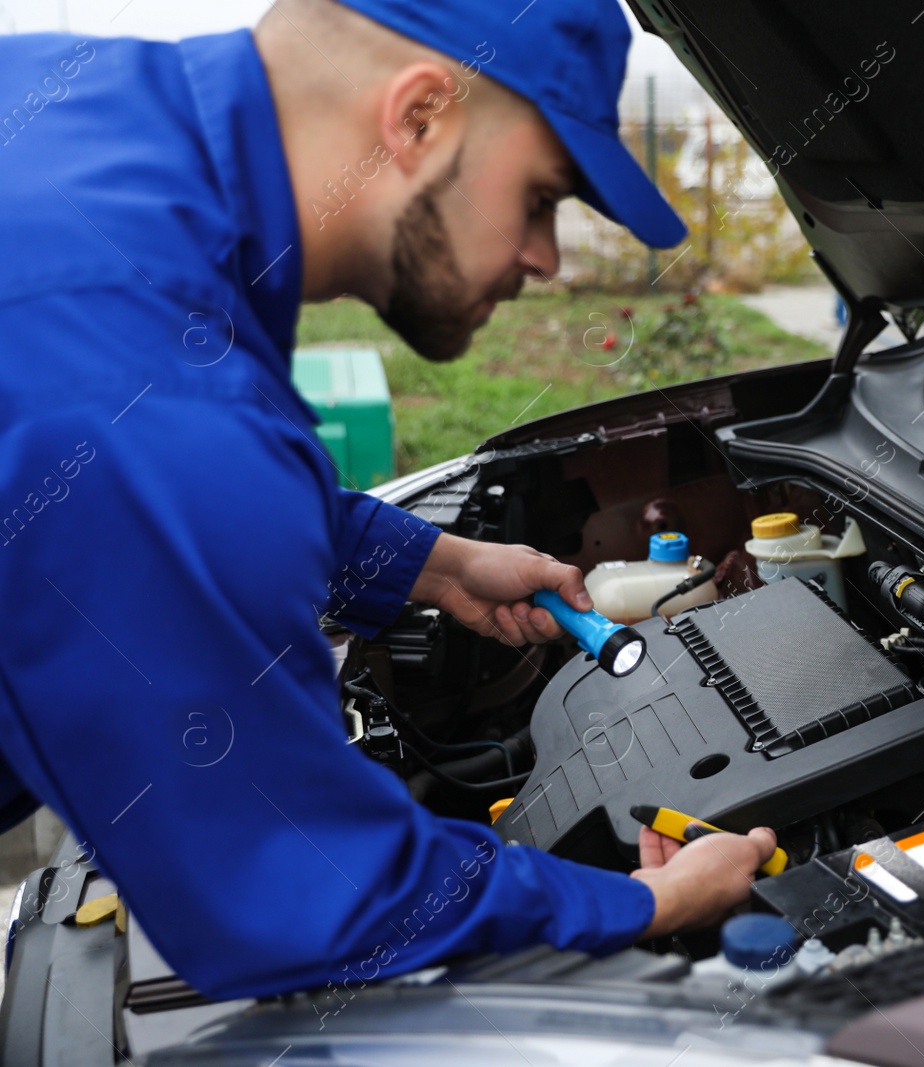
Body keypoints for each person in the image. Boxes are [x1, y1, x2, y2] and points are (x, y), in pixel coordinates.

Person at [0, 0, 773, 1000]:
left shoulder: (83, 113)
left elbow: (172, 491)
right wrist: (648, 905)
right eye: (542, 196)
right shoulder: (146, 385)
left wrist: (437, 563)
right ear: (414, 119)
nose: (546, 257)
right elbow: (302, 880)